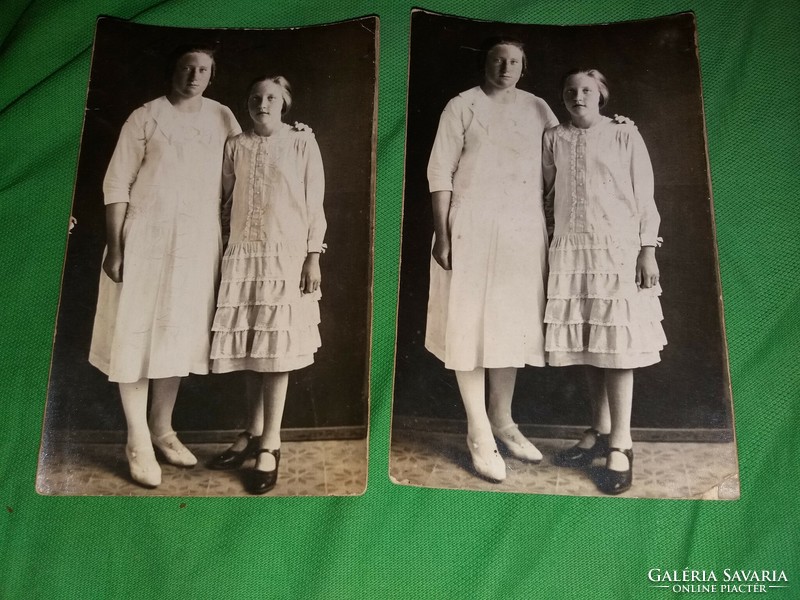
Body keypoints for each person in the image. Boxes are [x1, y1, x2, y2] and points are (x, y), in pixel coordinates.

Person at [89, 44, 241, 488]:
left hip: (196, 243)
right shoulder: (145, 117)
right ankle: (137, 440)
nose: (194, 76)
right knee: (136, 337)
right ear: (172, 70)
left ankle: (162, 429)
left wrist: (293, 131)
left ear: (212, 76)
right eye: (186, 67)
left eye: (203, 69)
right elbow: (116, 184)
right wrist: (116, 249)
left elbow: (247, 160)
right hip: (144, 239)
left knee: (175, 335)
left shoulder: (222, 117)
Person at [425, 37, 558, 482]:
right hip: (470, 227)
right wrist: (443, 234)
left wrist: (611, 127)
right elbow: (440, 170)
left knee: (508, 324)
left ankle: (503, 421)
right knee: (469, 325)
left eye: (514, 61)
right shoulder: (462, 105)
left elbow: (566, 154)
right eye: (497, 60)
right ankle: (479, 431)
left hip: (522, 228)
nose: (505, 67)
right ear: (485, 63)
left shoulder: (539, 108)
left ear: (524, 67)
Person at [544, 69, 666, 495]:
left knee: (616, 347)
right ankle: (597, 430)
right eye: (571, 90)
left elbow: (643, 194)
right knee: (589, 342)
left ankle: (621, 444)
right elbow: (546, 191)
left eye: (587, 91)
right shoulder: (553, 137)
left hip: (617, 250)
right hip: (571, 249)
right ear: (562, 97)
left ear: (601, 96)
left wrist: (646, 249)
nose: (579, 96)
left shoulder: (623, 134)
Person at [206, 75, 325, 495]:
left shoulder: (300, 141)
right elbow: (223, 198)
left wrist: (313, 255)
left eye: (271, 97)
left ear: (284, 103)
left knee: (276, 350)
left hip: (286, 257)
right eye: (255, 97)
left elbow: (315, 201)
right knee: (250, 346)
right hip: (243, 254)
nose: (262, 103)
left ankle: (271, 443)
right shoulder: (235, 145)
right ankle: (252, 433)